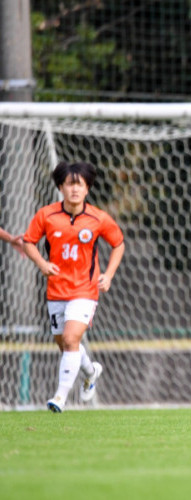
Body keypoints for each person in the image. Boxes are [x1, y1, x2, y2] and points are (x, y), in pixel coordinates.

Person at [23, 161, 125, 413]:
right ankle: (91, 372)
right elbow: (28, 242)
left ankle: (59, 397)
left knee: (70, 339)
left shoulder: (98, 218)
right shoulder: (46, 215)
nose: (75, 190)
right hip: (56, 291)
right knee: (66, 344)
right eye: (70, 184)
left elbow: (119, 244)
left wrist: (109, 275)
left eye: (80, 185)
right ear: (60, 187)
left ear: (87, 188)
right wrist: (41, 264)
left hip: (85, 290)